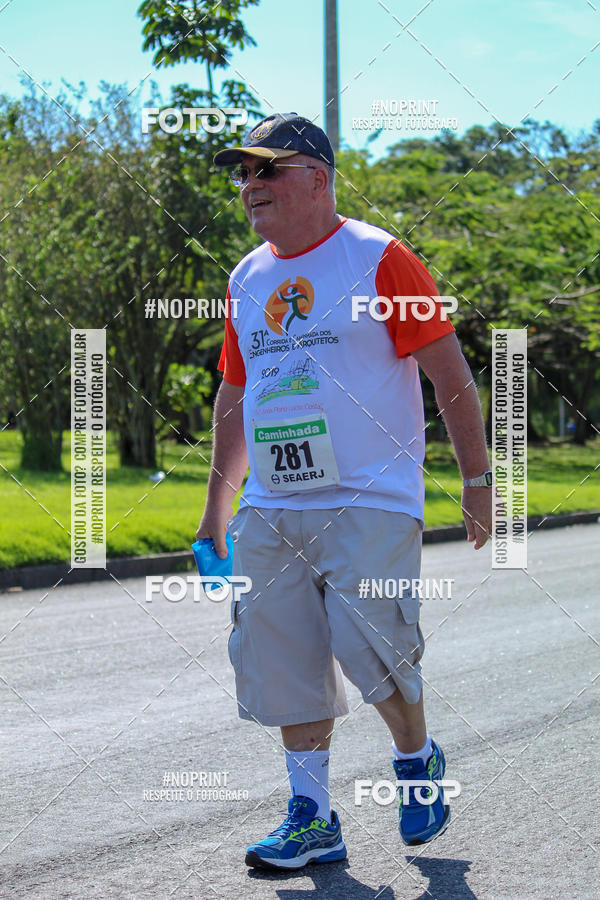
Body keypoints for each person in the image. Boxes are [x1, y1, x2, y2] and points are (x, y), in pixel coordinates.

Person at [196, 113, 492, 871]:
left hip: (371, 493)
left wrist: (478, 479)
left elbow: (450, 374)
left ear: (318, 177)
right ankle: (313, 816)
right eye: (244, 175)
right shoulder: (247, 276)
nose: (249, 187)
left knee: (373, 646)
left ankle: (415, 758)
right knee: (280, 654)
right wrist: (216, 508)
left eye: (268, 171)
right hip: (273, 504)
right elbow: (235, 395)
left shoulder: (379, 257)